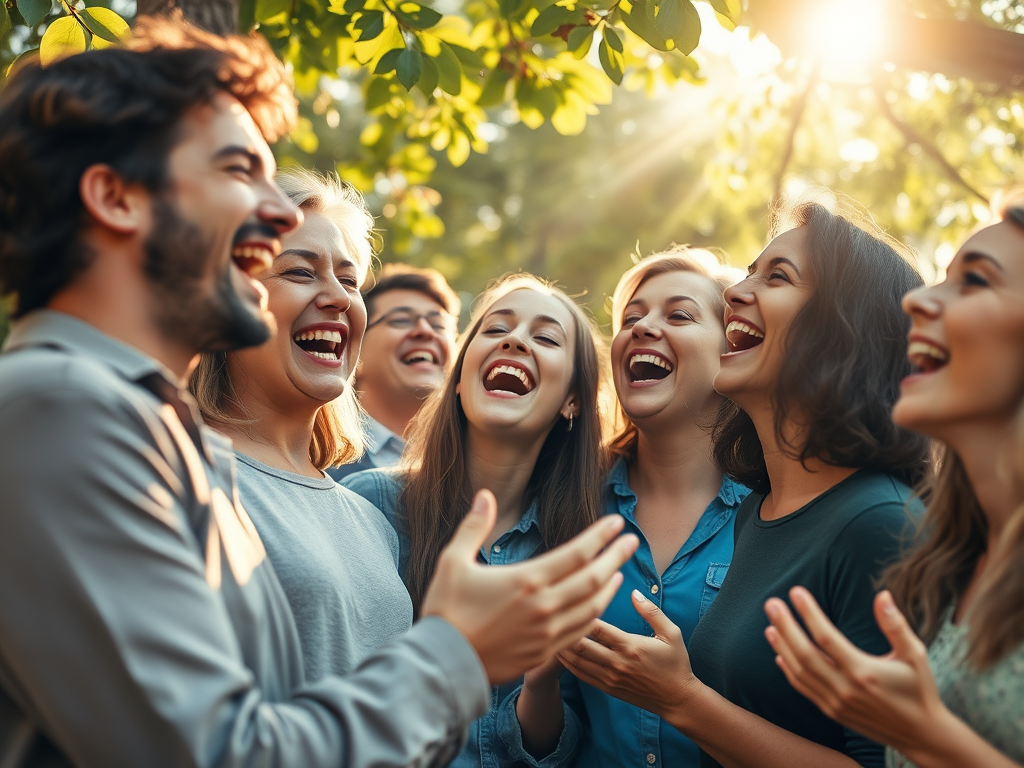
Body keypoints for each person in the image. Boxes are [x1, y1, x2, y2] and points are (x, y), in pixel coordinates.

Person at [0, 19, 638, 767]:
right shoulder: (60, 410)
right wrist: (456, 653)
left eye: (347, 276)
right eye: (240, 171)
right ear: (115, 197)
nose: (272, 215)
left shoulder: (162, 436)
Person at [557, 196, 931, 768]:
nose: (735, 292)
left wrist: (681, 700)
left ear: (844, 326)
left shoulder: (880, 522)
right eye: (749, 272)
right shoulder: (760, 514)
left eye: (777, 276)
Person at [763, 200, 1024, 768]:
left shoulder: (879, 518)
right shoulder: (948, 564)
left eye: (975, 280)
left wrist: (925, 736)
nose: (918, 301)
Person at [343, 273, 606, 768]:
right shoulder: (371, 505)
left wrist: (542, 678)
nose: (515, 339)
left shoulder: (577, 541)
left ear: (572, 400)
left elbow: (551, 750)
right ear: (460, 379)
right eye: (495, 329)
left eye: (546, 337)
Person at [502, 248, 751, 767]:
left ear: (731, 353)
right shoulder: (566, 503)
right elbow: (547, 744)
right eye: (631, 318)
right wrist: (540, 678)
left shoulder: (773, 510)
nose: (642, 328)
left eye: (678, 315)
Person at [188, 167, 414, 681]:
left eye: (349, 279)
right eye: (299, 272)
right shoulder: (186, 475)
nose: (338, 296)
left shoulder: (373, 521)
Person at [328, 263, 460, 480]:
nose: (426, 331)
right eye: (402, 320)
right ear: (354, 351)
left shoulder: (474, 467)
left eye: (438, 325)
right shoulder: (318, 462)